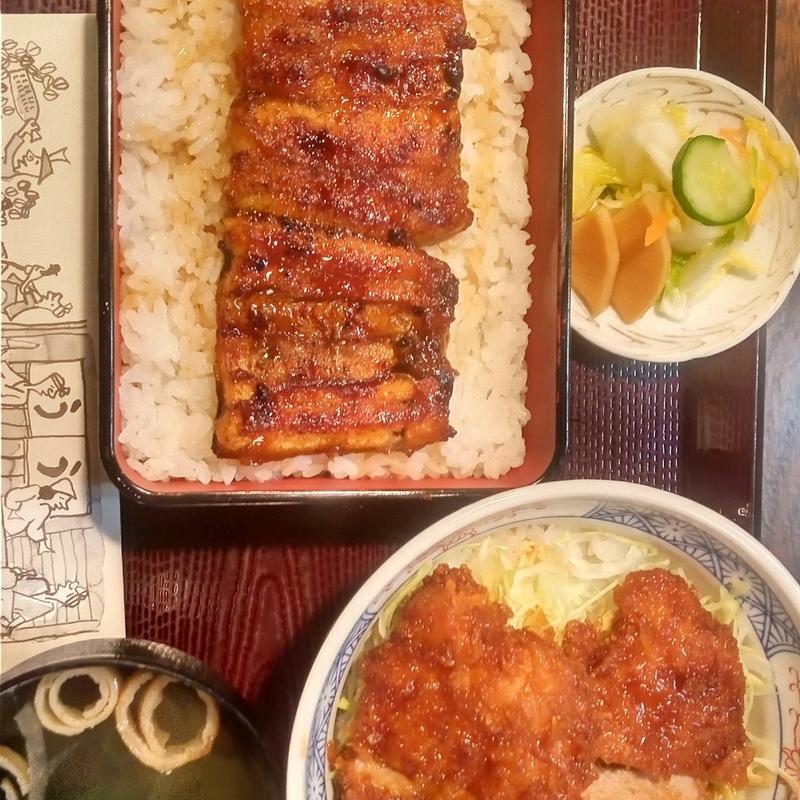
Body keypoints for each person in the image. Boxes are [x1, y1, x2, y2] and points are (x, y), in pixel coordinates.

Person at [2, 478, 76, 554]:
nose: (63, 505)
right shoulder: (35, 490)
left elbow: (34, 529)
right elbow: (11, 497)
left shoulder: (45, 510)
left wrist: (42, 545)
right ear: (54, 493)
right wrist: (14, 508)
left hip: (8, 533)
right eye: (62, 499)